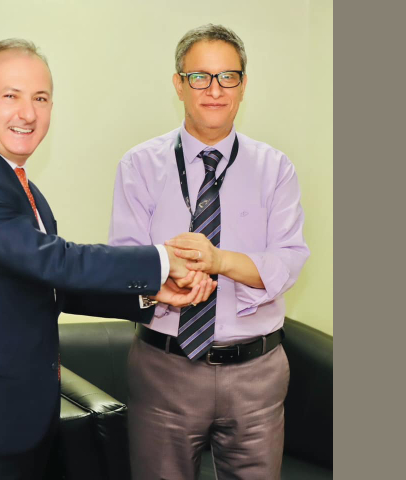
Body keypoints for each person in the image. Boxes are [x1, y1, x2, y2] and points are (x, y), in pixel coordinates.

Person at [0, 39, 215, 480]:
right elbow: (57, 261)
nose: (28, 113)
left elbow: (50, 284)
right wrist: (162, 260)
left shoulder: (18, 186)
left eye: (41, 98)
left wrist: (151, 294)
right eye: (11, 95)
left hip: (11, 421)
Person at [108, 24, 311, 479]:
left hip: (257, 372)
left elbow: (288, 260)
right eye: (199, 77)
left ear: (243, 84)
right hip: (165, 369)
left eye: (228, 77)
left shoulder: (275, 168)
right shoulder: (139, 165)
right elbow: (124, 266)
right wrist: (167, 276)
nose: (214, 90)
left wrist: (219, 261)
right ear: (178, 84)